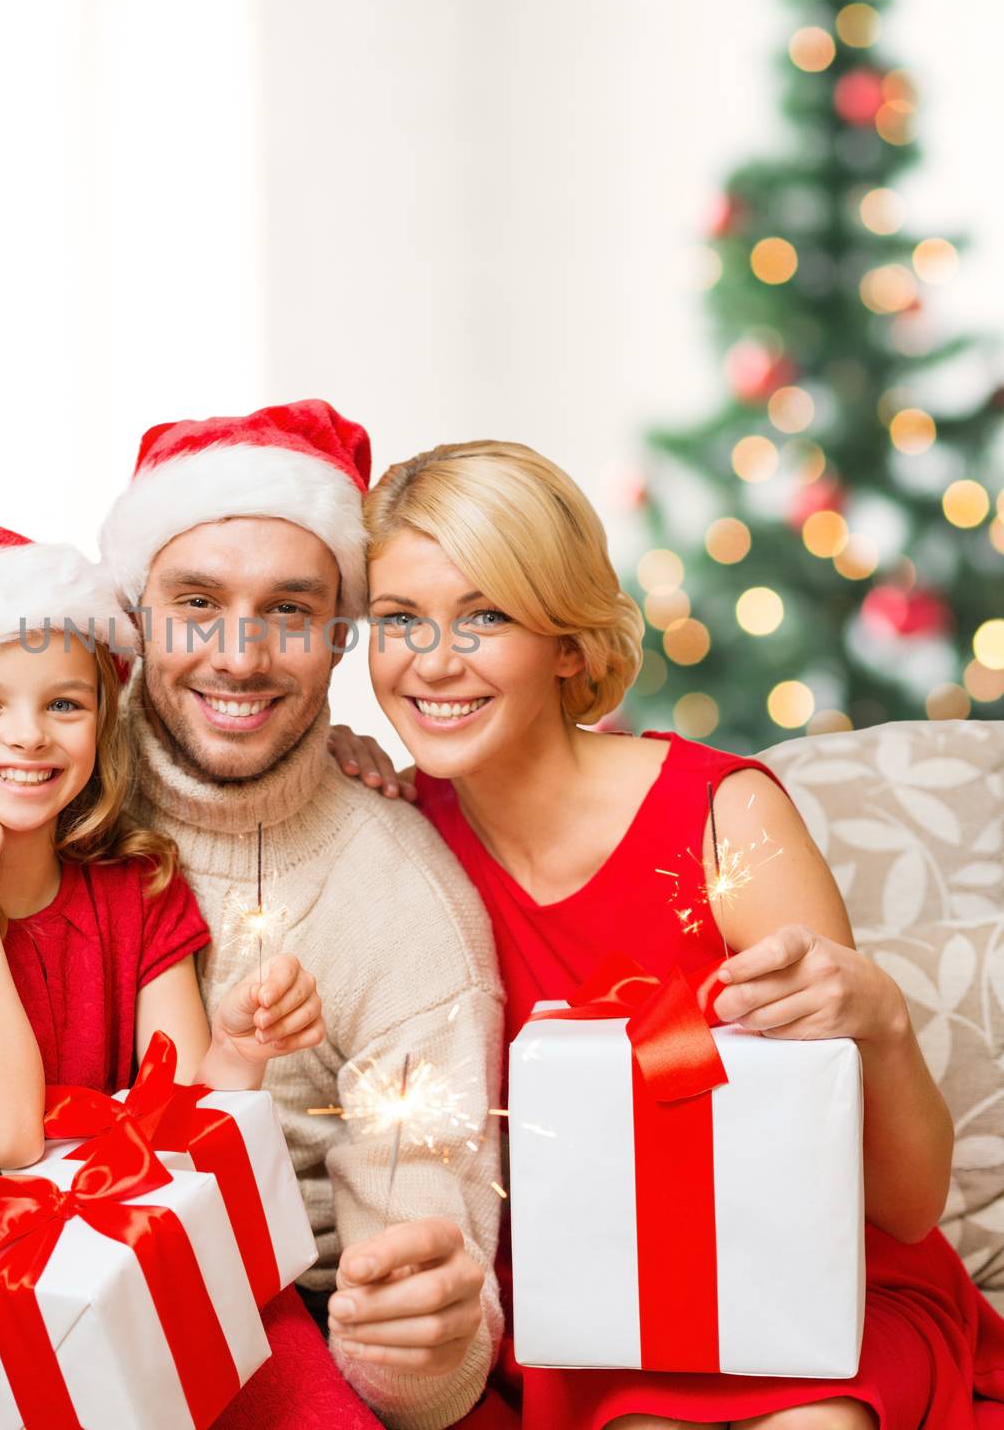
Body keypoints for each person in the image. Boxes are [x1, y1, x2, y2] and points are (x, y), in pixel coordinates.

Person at [0, 402, 506, 1429]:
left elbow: (412, 1300)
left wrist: (422, 1335)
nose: (237, 654)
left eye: (289, 612)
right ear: (134, 615)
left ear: (338, 636)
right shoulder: (19, 766)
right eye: (194, 603)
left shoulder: (391, 901)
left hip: (230, 1304)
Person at [328, 437, 1004, 1430]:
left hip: (817, 1296)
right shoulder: (394, 839)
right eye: (398, 620)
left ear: (566, 641)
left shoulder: (721, 816)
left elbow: (901, 1209)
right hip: (599, 1317)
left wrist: (883, 1025)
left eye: (484, 615)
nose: (433, 660)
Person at [0, 513, 329, 1430]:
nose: (29, 737)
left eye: (64, 705)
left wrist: (236, 1055)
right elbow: (2, 1131)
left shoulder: (138, 885)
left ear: (101, 722)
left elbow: (177, 1127)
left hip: (144, 1273)